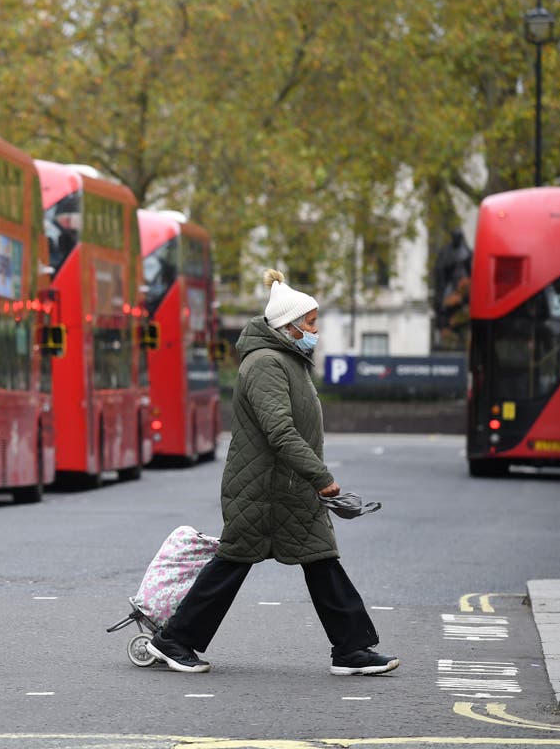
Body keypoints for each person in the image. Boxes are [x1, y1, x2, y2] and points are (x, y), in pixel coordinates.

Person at [146, 268, 399, 676]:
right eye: (312, 322)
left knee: (321, 560)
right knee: (234, 563)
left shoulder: (288, 360)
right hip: (262, 489)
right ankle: (174, 641)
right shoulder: (266, 364)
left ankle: (351, 650)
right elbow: (280, 431)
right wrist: (322, 479)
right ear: (290, 326)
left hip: (288, 489)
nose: (317, 329)